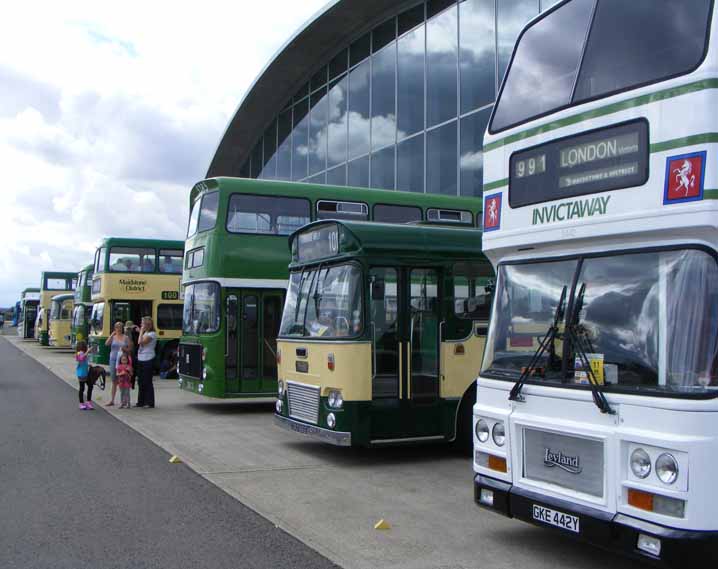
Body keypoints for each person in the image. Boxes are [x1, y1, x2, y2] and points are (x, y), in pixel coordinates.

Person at [104, 321, 130, 407]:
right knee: (114, 380)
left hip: (122, 361)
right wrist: (111, 335)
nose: (118, 329)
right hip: (113, 359)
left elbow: (129, 349)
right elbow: (106, 344)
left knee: (122, 380)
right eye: (117, 327)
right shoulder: (113, 337)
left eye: (120, 327)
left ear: (122, 328)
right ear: (115, 328)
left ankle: (123, 400)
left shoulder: (125, 337)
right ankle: (112, 400)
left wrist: (124, 349)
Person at [136, 316, 157, 408]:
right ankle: (141, 401)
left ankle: (149, 402)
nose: (141, 325)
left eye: (142, 323)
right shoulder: (146, 333)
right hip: (141, 358)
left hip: (148, 358)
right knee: (140, 381)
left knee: (147, 381)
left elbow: (140, 342)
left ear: (147, 325)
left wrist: (141, 331)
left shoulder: (152, 334)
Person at [76, 341, 93, 410]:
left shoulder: (81, 353)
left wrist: (88, 365)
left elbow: (83, 361)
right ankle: (82, 403)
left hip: (85, 372)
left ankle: (88, 402)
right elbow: (81, 358)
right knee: (82, 388)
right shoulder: (80, 353)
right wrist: (88, 351)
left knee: (90, 386)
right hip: (82, 374)